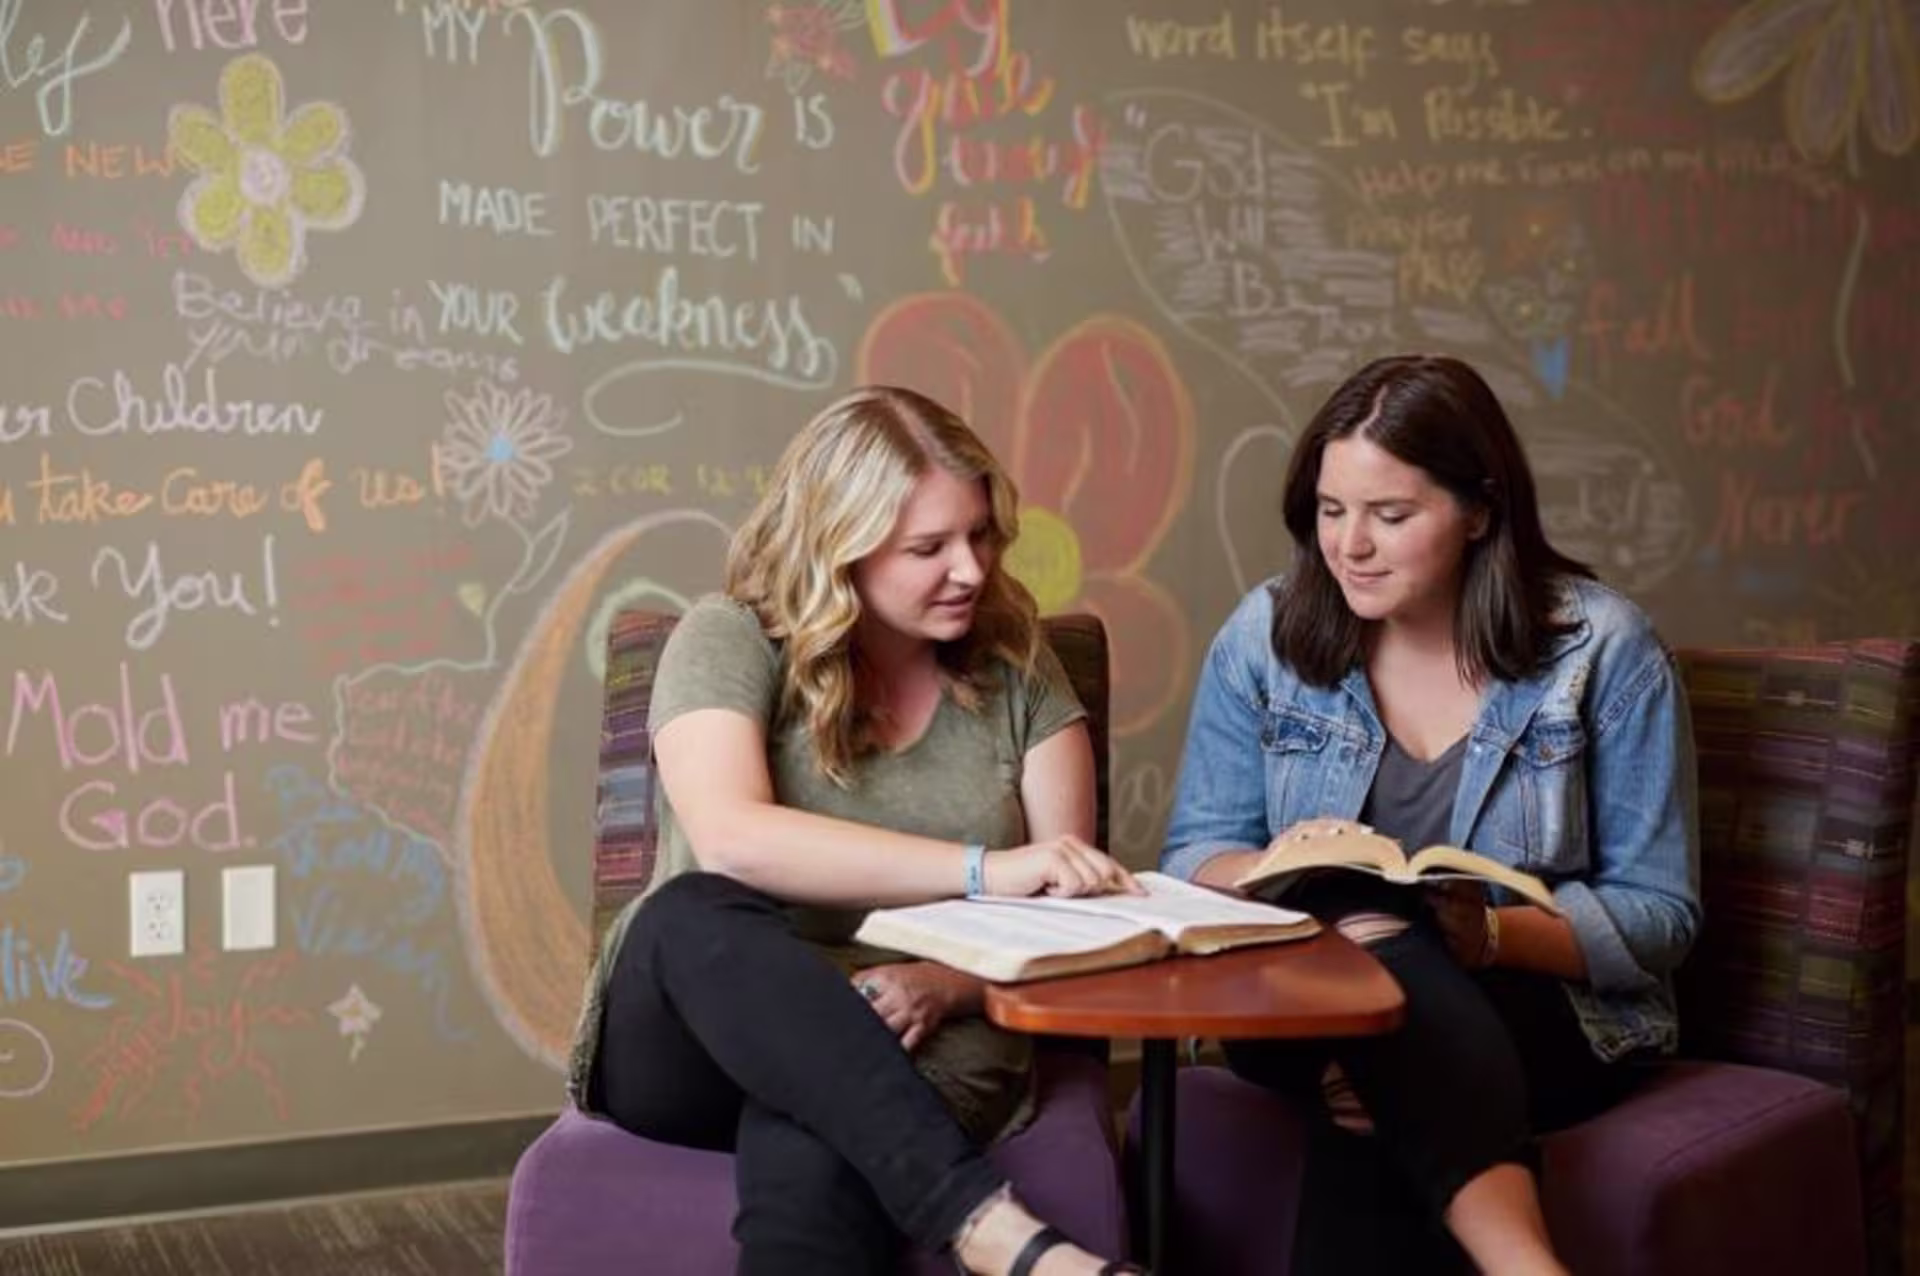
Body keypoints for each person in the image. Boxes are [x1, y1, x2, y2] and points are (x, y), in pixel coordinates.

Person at [569, 385, 1146, 1276]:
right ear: (838, 547)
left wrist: (944, 985)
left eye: (980, 535)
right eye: (929, 547)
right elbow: (732, 840)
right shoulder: (728, 639)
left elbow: (1064, 914)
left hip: (928, 1026)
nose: (971, 570)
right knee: (688, 910)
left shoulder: (1019, 669)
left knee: (817, 1124)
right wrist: (985, 870)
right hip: (699, 1034)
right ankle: (995, 1232)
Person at [1161, 354, 1701, 1274]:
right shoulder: (1266, 635)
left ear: (1480, 511)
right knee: (1353, 918)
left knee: (1382, 1066)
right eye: (1331, 510)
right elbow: (1192, 855)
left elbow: (1660, 916)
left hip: (1541, 1013)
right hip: (1298, 1000)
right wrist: (1276, 867)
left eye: (1390, 515)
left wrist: (1486, 936)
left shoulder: (1604, 650)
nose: (1350, 546)